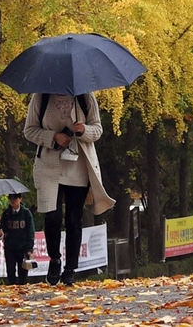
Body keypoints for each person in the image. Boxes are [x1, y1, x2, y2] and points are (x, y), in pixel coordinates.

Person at [23, 92, 115, 286]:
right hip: (50, 167)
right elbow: (29, 130)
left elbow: (97, 129)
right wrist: (53, 136)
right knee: (52, 216)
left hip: (79, 168)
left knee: (74, 220)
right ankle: (54, 259)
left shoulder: (85, 98)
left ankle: (70, 268)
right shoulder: (41, 98)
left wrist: (83, 131)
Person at [0, 193, 35, 285]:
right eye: (10, 198)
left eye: (15, 198)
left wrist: (30, 248)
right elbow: (3, 229)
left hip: (23, 247)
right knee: (10, 270)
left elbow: (30, 231)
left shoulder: (26, 213)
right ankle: (12, 288)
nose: (13, 200)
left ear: (20, 199)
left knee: (23, 271)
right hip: (10, 247)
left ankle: (21, 289)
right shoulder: (6, 213)